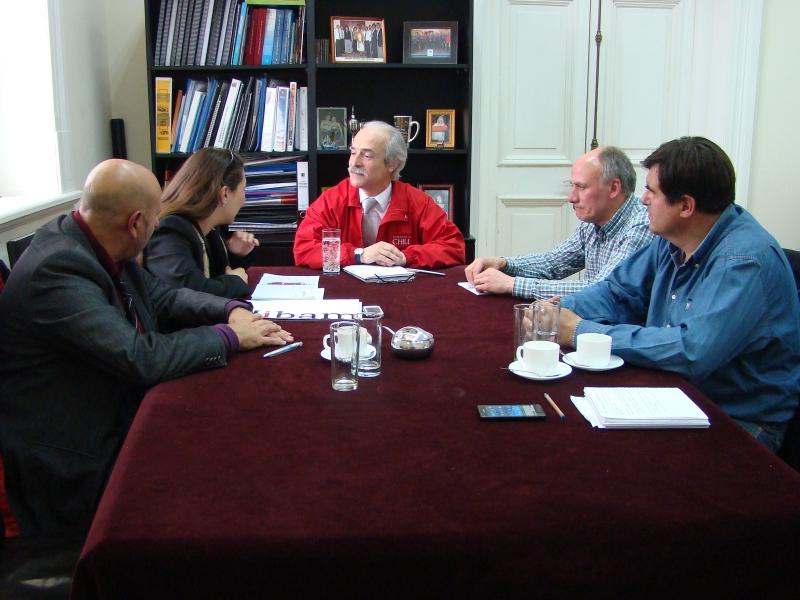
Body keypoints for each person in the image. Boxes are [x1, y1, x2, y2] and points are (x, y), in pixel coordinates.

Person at [0, 159, 293, 536]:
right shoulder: (58, 269)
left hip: (108, 411)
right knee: (223, 482)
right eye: (156, 218)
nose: (159, 226)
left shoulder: (93, 241)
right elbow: (139, 357)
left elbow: (164, 298)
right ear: (136, 222)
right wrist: (229, 337)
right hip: (71, 462)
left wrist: (229, 309)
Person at [557, 137, 800, 452]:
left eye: (652, 191)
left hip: (739, 418)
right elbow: (617, 293)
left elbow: (690, 351)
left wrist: (580, 330)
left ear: (686, 206)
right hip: (677, 395)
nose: (642, 200)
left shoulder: (744, 262)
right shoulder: (671, 237)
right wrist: (554, 312)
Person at [465, 146, 653, 299]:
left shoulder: (640, 226)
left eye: (581, 187)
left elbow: (602, 291)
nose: (571, 198)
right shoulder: (594, 220)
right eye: (572, 186)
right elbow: (553, 263)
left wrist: (512, 284)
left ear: (614, 188)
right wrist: (504, 264)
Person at [293, 121, 465, 269]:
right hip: (346, 294)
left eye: (367, 155)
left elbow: (454, 247)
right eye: (353, 152)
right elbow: (303, 249)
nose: (354, 162)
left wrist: (406, 257)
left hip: (402, 295)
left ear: (393, 163)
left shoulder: (418, 202)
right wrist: (358, 255)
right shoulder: (332, 199)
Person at [145, 147, 258, 299]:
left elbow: (214, 276)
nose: (244, 199)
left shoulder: (209, 229)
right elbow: (189, 293)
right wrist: (235, 282)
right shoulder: (170, 231)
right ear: (224, 194)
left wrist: (235, 255)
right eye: (243, 189)